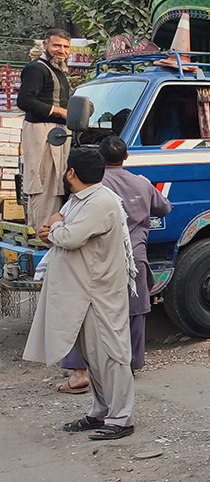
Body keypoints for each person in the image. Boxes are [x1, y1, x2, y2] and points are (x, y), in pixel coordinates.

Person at [24, 148, 138, 440]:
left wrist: (57, 226)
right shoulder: (80, 200)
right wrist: (56, 226)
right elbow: (58, 231)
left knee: (113, 355)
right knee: (92, 357)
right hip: (84, 293)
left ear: (71, 173)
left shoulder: (100, 202)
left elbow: (69, 237)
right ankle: (100, 411)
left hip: (100, 293)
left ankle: (121, 418)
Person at [59, 137, 172, 393]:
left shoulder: (92, 187)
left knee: (86, 312)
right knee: (134, 312)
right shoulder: (140, 183)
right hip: (136, 258)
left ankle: (79, 373)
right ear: (127, 156)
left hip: (100, 261)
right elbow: (164, 208)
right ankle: (128, 367)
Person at [17, 28, 73, 231]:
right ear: (45, 45)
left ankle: (48, 231)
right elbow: (25, 100)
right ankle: (43, 233)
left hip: (56, 132)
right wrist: (59, 111)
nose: (62, 50)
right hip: (42, 132)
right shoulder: (37, 69)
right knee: (44, 183)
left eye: (66, 46)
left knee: (56, 183)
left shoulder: (57, 70)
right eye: (57, 45)